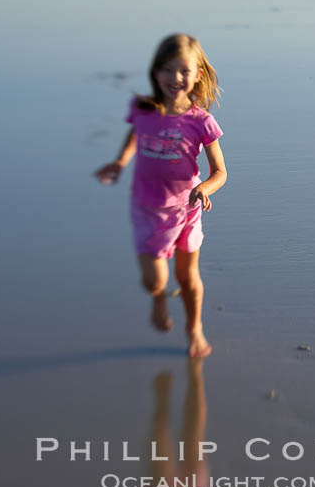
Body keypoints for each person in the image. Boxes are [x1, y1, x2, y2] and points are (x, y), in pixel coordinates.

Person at [95, 34, 227, 358]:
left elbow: (220, 172)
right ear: (155, 72)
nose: (175, 78)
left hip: (187, 208)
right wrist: (120, 161)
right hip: (149, 209)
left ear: (198, 74)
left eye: (184, 71)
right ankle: (158, 298)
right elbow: (135, 132)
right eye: (167, 70)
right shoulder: (143, 108)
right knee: (155, 280)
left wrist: (203, 188)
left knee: (187, 275)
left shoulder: (202, 122)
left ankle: (194, 327)